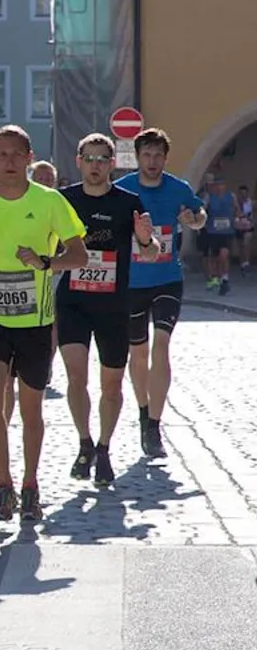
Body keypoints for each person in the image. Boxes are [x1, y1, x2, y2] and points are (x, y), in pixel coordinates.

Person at [0, 125, 88, 520]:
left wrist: (45, 262)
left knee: (31, 409)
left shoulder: (50, 201)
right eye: (1, 155)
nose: (9, 162)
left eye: (16, 155)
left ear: (29, 158)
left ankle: (30, 483)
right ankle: (4, 485)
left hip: (35, 321)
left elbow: (78, 255)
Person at [56, 133, 161, 489]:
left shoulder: (128, 202)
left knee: (112, 385)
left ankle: (104, 447)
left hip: (114, 304)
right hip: (72, 301)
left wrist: (146, 238)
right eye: (90, 158)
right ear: (79, 161)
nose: (96, 165)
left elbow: (149, 251)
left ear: (112, 163)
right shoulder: (64, 200)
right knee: (75, 377)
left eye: (103, 159)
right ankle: (84, 442)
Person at [116, 127, 205, 459]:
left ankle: (155, 424)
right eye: (146, 155)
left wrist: (193, 219)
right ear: (138, 157)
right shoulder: (123, 190)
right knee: (138, 354)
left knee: (162, 345)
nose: (152, 161)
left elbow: (199, 215)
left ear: (165, 158)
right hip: (132, 282)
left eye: (158, 155)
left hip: (167, 278)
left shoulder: (177, 188)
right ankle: (143, 411)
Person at [201, 171, 238, 294]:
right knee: (215, 257)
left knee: (223, 255)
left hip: (227, 231)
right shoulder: (209, 197)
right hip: (213, 231)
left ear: (225, 185)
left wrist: (238, 219)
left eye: (221, 184)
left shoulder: (231, 196)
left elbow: (237, 209)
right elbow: (203, 210)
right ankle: (217, 278)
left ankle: (225, 280)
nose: (219, 187)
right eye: (217, 185)